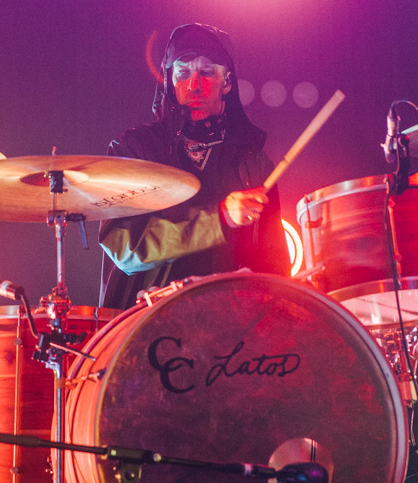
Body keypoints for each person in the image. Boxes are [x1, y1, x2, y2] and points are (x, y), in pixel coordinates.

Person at [99, 23, 290, 310]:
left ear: (227, 83)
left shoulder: (255, 165)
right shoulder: (133, 150)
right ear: (169, 82)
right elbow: (124, 248)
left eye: (207, 72)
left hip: (232, 330)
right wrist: (219, 217)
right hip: (144, 324)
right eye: (183, 72)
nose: (194, 85)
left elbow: (275, 269)